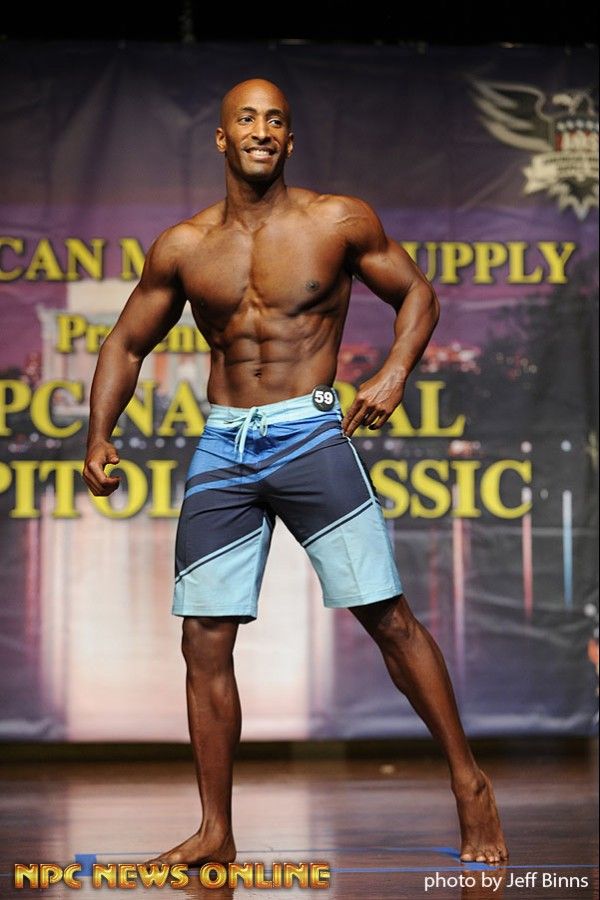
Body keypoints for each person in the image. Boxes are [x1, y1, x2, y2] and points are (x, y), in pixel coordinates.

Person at [82, 78, 508, 867]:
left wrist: (394, 373)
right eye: (246, 119)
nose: (261, 130)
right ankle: (215, 830)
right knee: (204, 637)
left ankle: (469, 783)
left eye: (275, 120)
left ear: (289, 139)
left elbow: (416, 293)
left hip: (310, 433)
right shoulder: (184, 246)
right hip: (225, 443)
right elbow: (127, 343)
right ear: (221, 137)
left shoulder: (336, 221)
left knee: (387, 618)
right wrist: (98, 434)